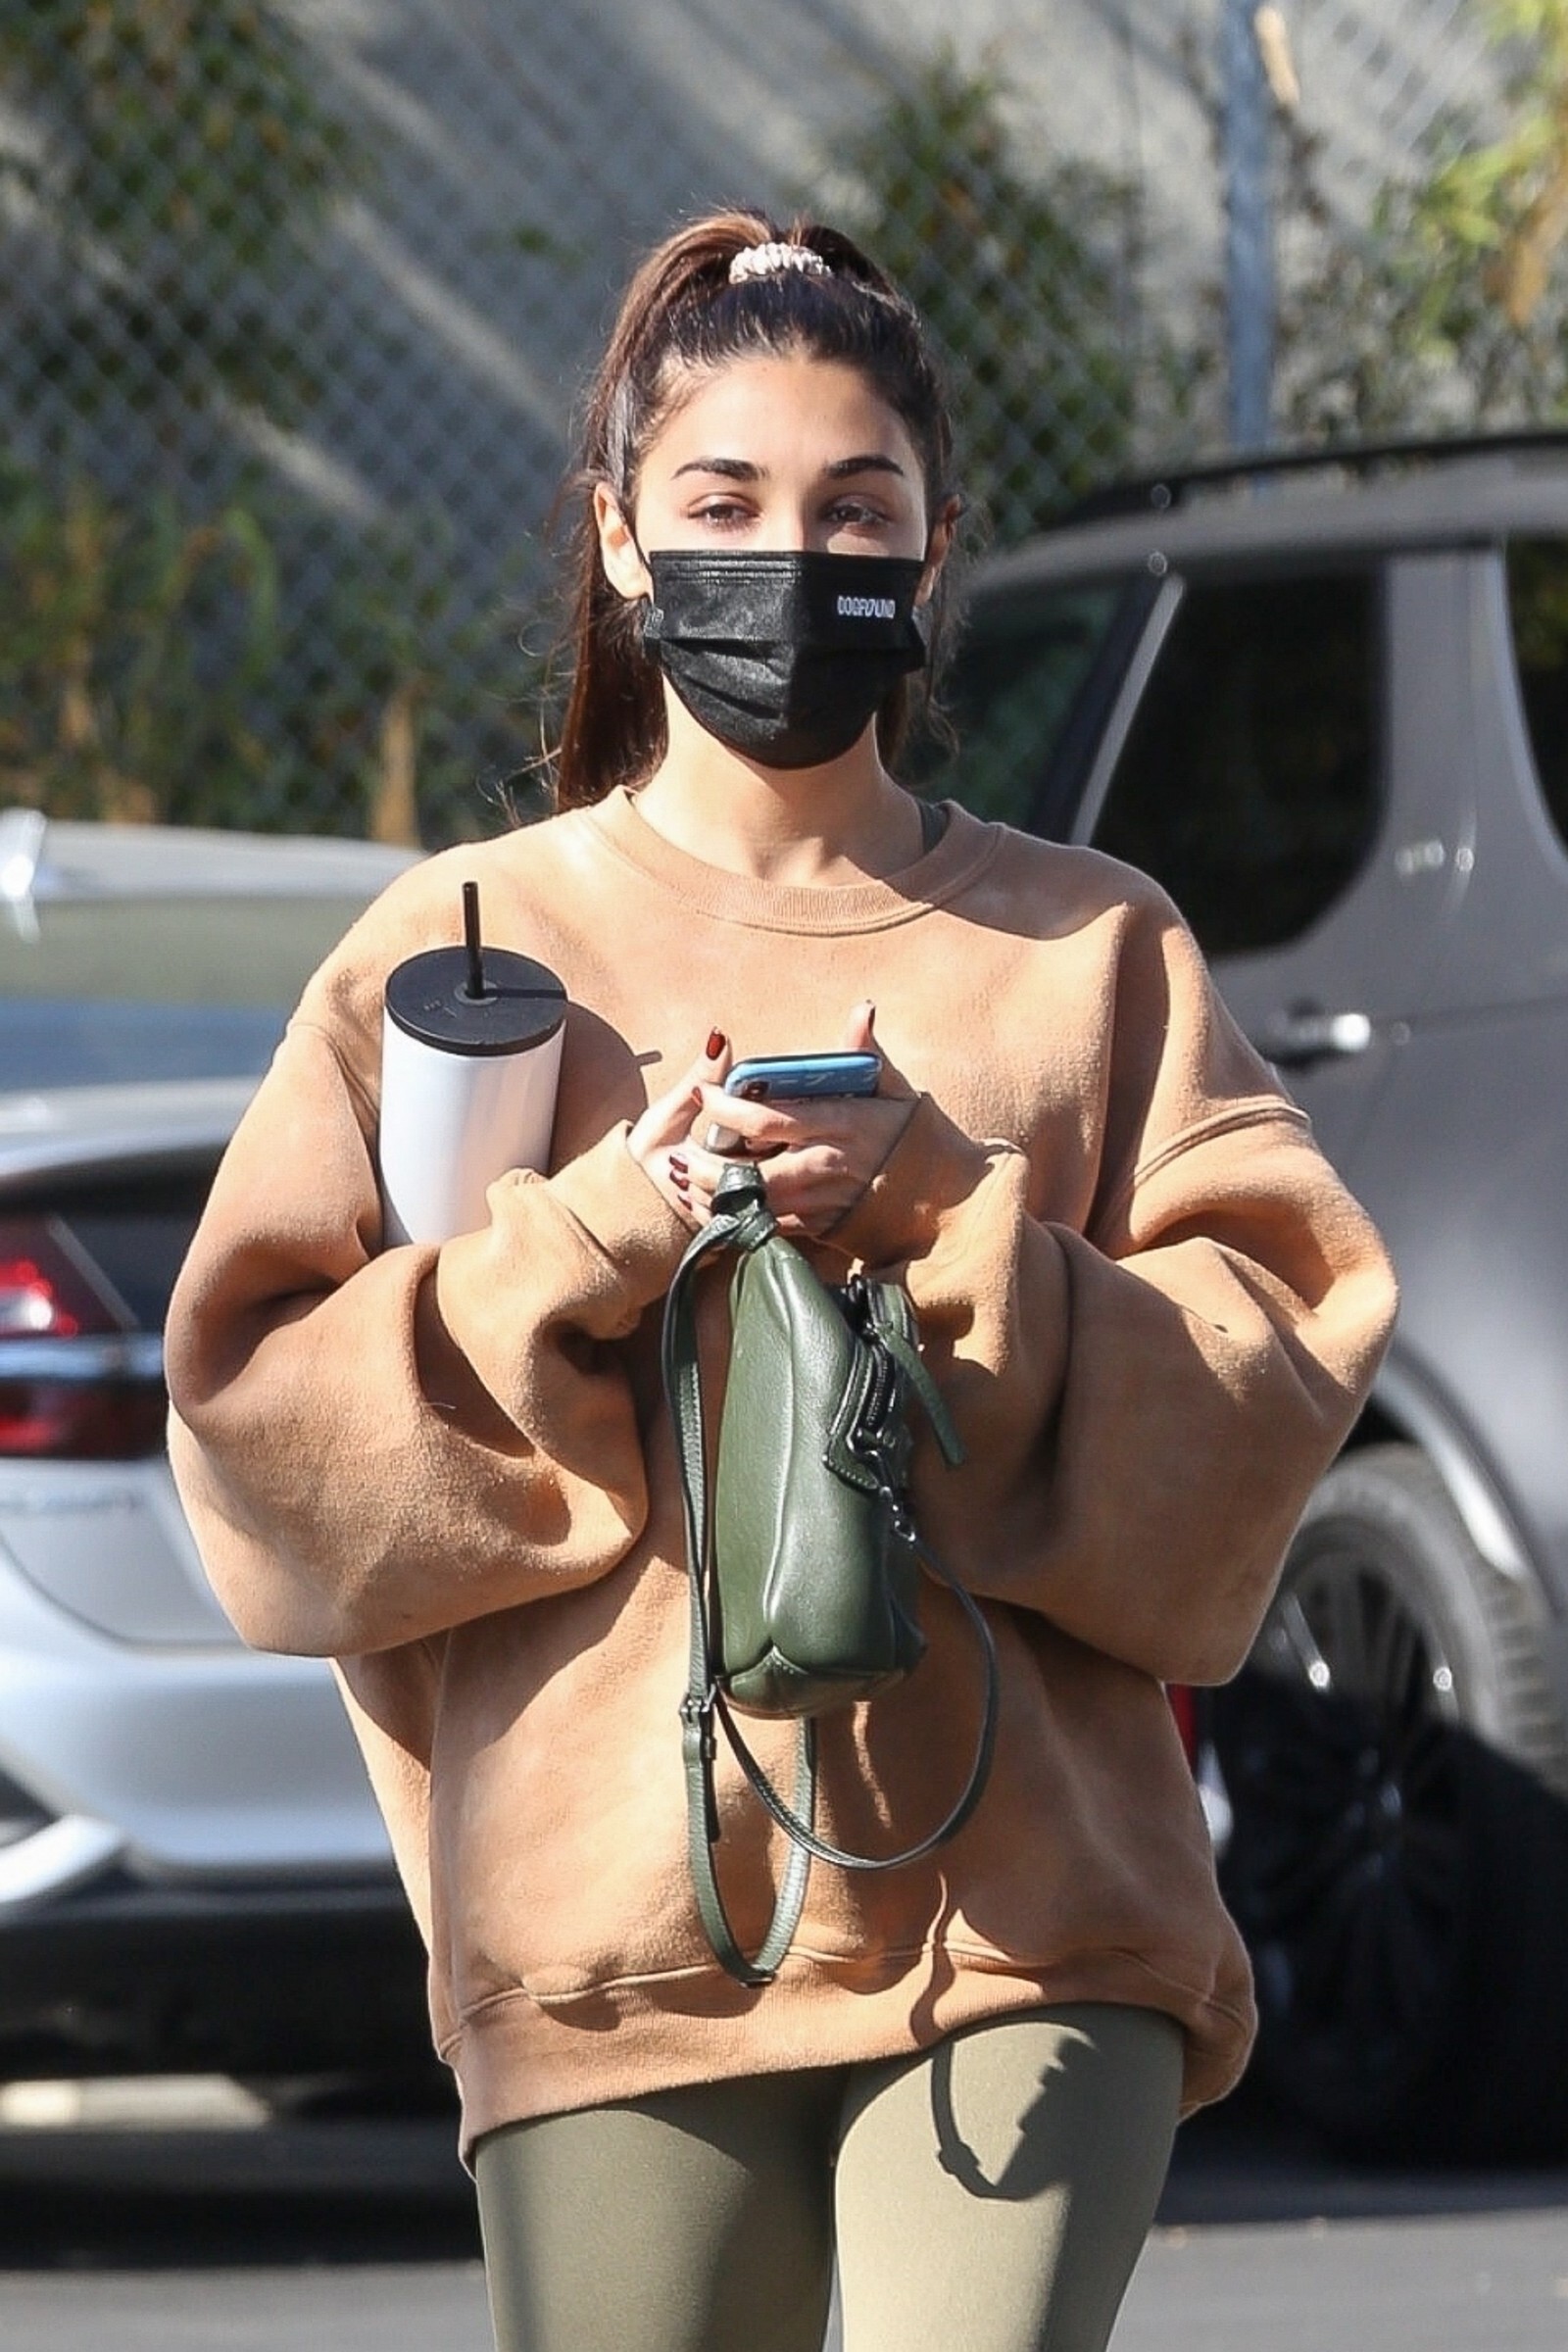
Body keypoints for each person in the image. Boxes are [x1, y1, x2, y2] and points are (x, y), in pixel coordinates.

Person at [165, 210, 1397, 2352]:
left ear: (933, 552)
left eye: (854, 508)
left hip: (1030, 1918)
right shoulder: (457, 954)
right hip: (607, 1928)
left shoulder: (1092, 947)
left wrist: (948, 1205)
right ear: (619, 538)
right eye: (722, 503)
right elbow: (267, 1453)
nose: (788, 558)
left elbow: (1271, 1386)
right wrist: (600, 1230)